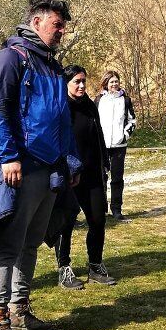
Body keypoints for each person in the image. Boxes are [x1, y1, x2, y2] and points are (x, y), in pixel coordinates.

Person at [0, 0, 81, 330]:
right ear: (36, 23)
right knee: (7, 243)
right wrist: (9, 157)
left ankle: (19, 308)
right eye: (57, 24)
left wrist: (70, 161)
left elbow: (62, 118)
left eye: (64, 25)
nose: (62, 31)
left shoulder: (51, 64)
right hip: (19, 167)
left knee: (31, 242)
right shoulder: (10, 58)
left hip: (49, 169)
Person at [54, 65, 116, 289]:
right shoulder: (60, 107)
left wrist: (105, 164)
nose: (81, 86)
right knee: (66, 224)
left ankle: (95, 265)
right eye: (76, 82)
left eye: (83, 81)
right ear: (66, 83)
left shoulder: (90, 105)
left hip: (92, 174)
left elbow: (98, 136)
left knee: (98, 220)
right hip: (69, 175)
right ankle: (64, 268)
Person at [96, 70, 136, 220]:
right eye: (111, 82)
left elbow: (132, 121)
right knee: (101, 178)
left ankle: (116, 208)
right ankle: (102, 208)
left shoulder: (125, 100)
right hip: (102, 146)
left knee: (117, 178)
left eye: (116, 81)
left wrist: (124, 135)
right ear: (106, 83)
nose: (114, 84)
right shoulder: (99, 100)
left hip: (119, 146)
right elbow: (95, 122)